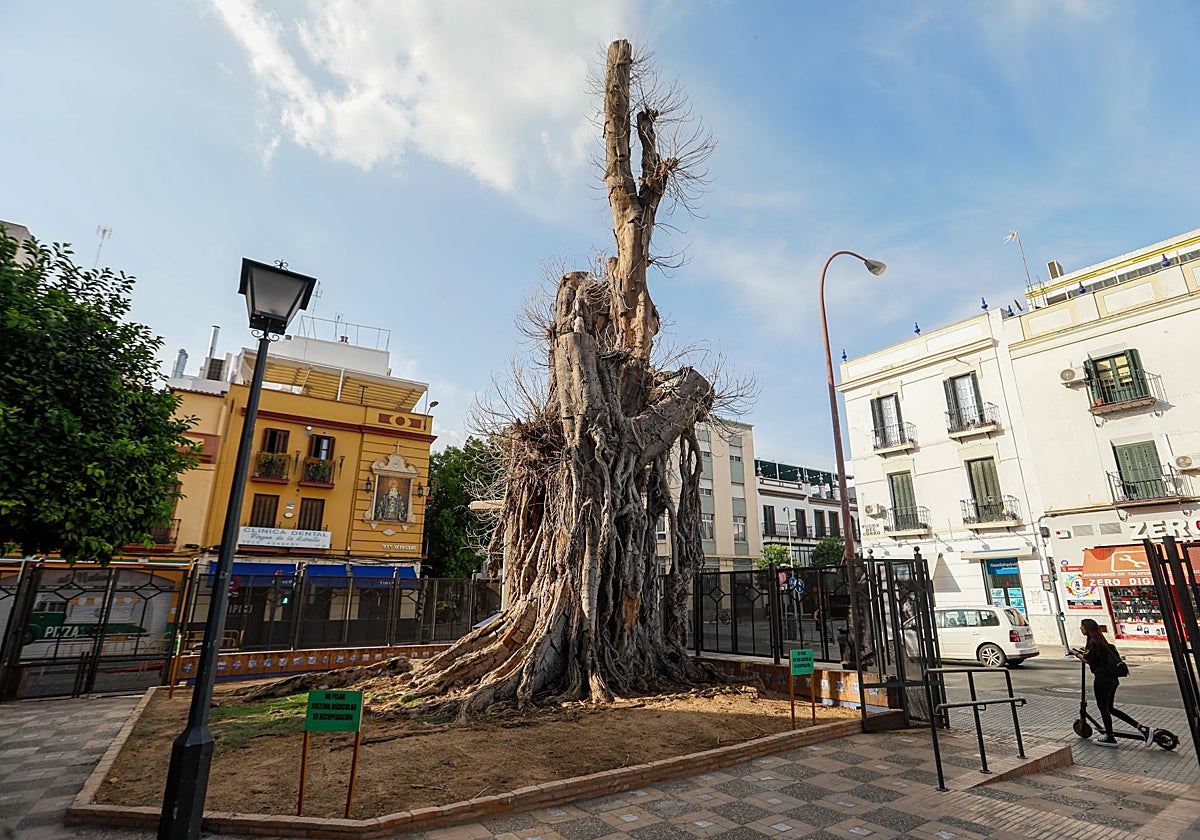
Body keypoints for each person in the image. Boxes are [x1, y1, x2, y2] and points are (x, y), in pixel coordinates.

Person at [1073, 618, 1154, 748]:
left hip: (1102, 680)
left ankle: (1110, 737)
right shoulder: (1101, 641)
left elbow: (1088, 660)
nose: (1081, 629)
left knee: (1103, 708)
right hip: (1112, 680)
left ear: (1088, 629)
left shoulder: (1092, 642)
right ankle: (1142, 728)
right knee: (1110, 708)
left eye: (1082, 627)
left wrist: (1076, 654)